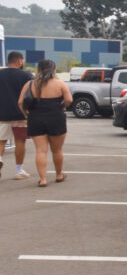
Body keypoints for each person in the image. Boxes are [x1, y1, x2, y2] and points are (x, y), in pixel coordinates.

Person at [18, 59, 72, 187]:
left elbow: (20, 102)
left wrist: (26, 114)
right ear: (53, 69)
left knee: (41, 151)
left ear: (39, 69)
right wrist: (61, 106)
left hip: (35, 118)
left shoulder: (30, 84)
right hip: (56, 117)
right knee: (57, 150)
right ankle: (59, 175)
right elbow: (69, 100)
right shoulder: (60, 83)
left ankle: (43, 179)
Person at [0, 51, 34, 179]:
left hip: (1, 114)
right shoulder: (26, 75)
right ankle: (18, 170)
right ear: (19, 61)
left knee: (1, 140)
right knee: (20, 141)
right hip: (21, 114)